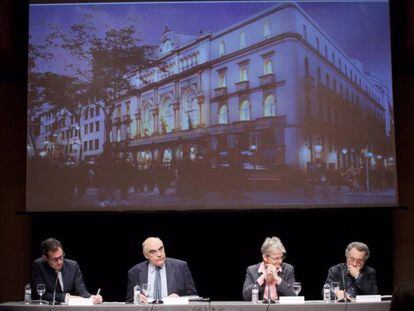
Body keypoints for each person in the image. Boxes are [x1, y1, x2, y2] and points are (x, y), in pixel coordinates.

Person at [126, 237, 198, 303]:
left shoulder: (181, 267)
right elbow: (129, 301)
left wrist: (179, 300)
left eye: (160, 249)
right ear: (145, 255)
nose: (159, 254)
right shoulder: (134, 272)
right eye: (153, 252)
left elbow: (194, 297)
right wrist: (136, 298)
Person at [32, 238, 102, 304]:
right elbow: (41, 294)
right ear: (45, 258)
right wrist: (65, 297)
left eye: (61, 257)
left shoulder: (73, 266)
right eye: (55, 259)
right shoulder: (39, 265)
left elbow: (81, 291)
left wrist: (92, 297)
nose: (59, 262)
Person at [242, 236, 296, 302]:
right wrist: (262, 278)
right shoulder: (252, 270)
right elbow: (246, 296)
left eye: (281, 257)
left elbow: (294, 295)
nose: (280, 261)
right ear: (265, 257)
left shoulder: (288, 269)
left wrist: (277, 279)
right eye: (276, 258)